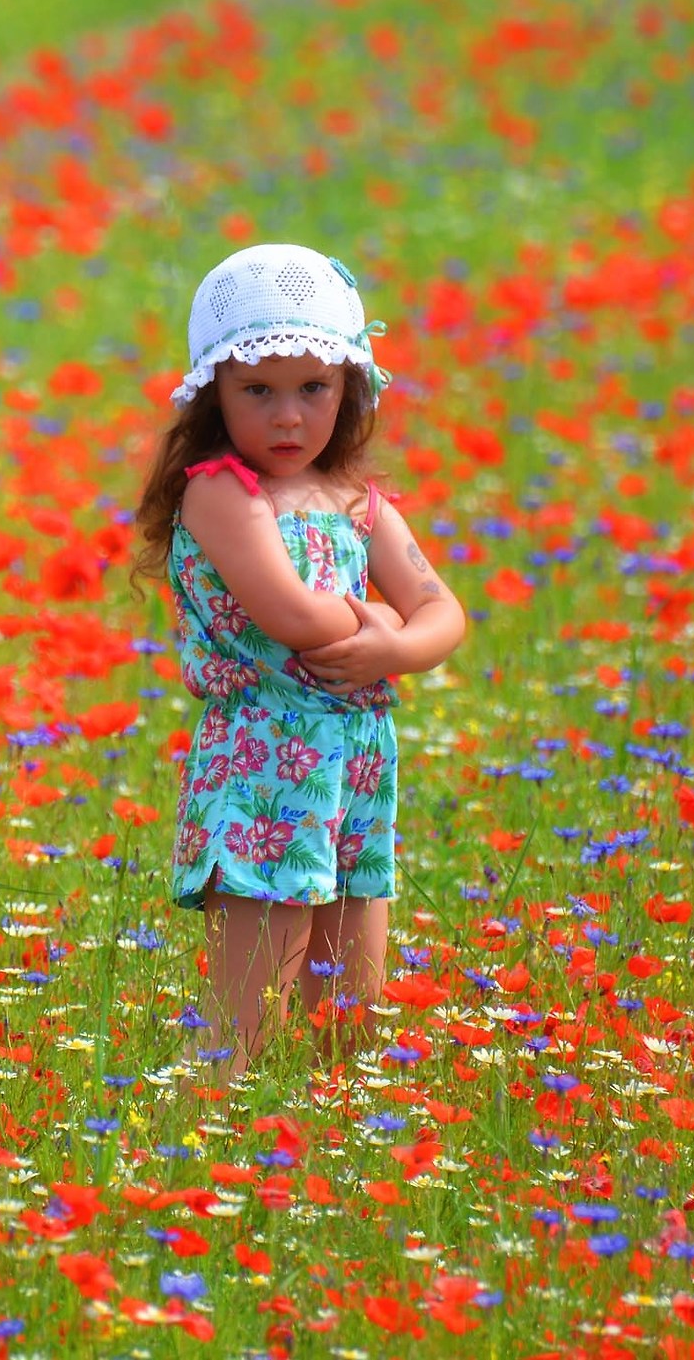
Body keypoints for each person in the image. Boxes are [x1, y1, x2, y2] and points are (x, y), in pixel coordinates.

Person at [134, 243, 466, 1077]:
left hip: (354, 768)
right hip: (263, 766)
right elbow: (288, 613)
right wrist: (381, 625)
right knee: (248, 1005)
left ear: (349, 385)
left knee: (353, 1007)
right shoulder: (220, 491)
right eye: (259, 391)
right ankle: (192, 1147)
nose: (289, 416)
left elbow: (444, 612)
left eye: (313, 388)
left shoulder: (357, 499)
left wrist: (396, 643)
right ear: (215, 394)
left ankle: (329, 1160)